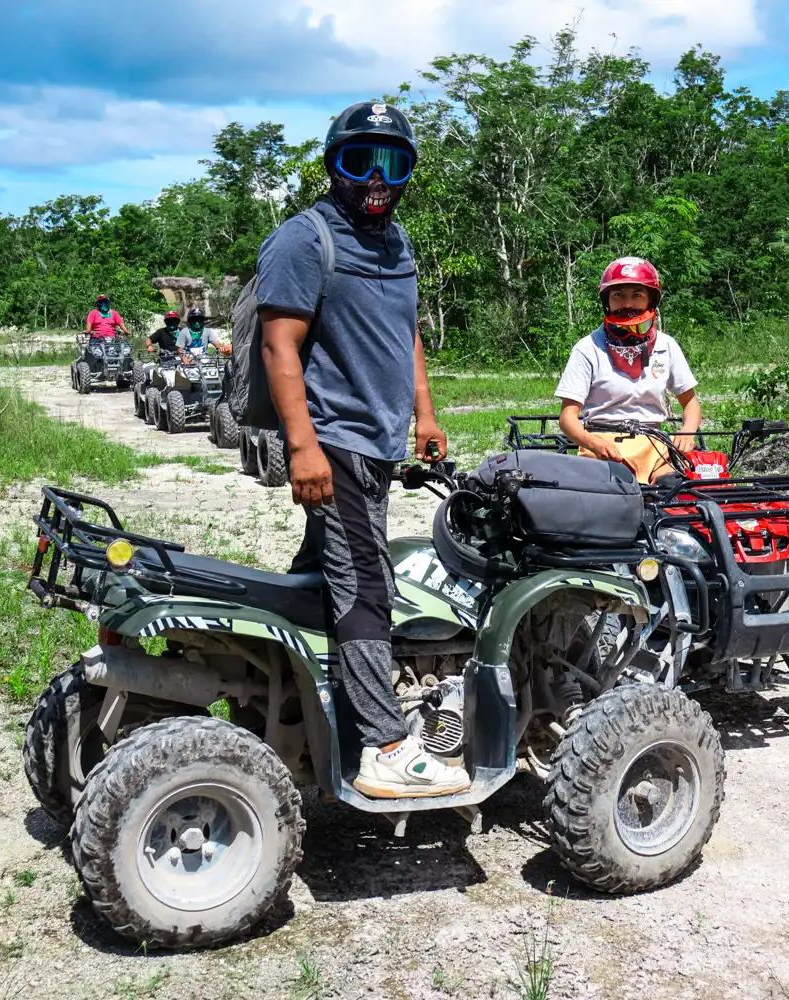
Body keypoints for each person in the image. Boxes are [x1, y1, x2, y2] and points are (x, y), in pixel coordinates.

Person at [258, 101, 468, 800]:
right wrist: (304, 448)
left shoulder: (396, 242)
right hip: (335, 440)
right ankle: (382, 744)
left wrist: (424, 413)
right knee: (366, 587)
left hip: (378, 444)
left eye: (393, 163)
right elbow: (278, 345)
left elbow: (405, 331)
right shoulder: (304, 238)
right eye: (359, 161)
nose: (376, 179)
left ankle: (286, 707)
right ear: (332, 165)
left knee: (322, 576)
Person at [556, 257, 702, 483]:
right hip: (603, 445)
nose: (627, 304)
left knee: (673, 490)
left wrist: (687, 431)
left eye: (637, 295)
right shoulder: (588, 348)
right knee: (619, 492)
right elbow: (567, 418)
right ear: (607, 300)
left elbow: (690, 402)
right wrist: (593, 443)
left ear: (650, 300)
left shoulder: (666, 346)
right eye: (618, 295)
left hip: (655, 445)